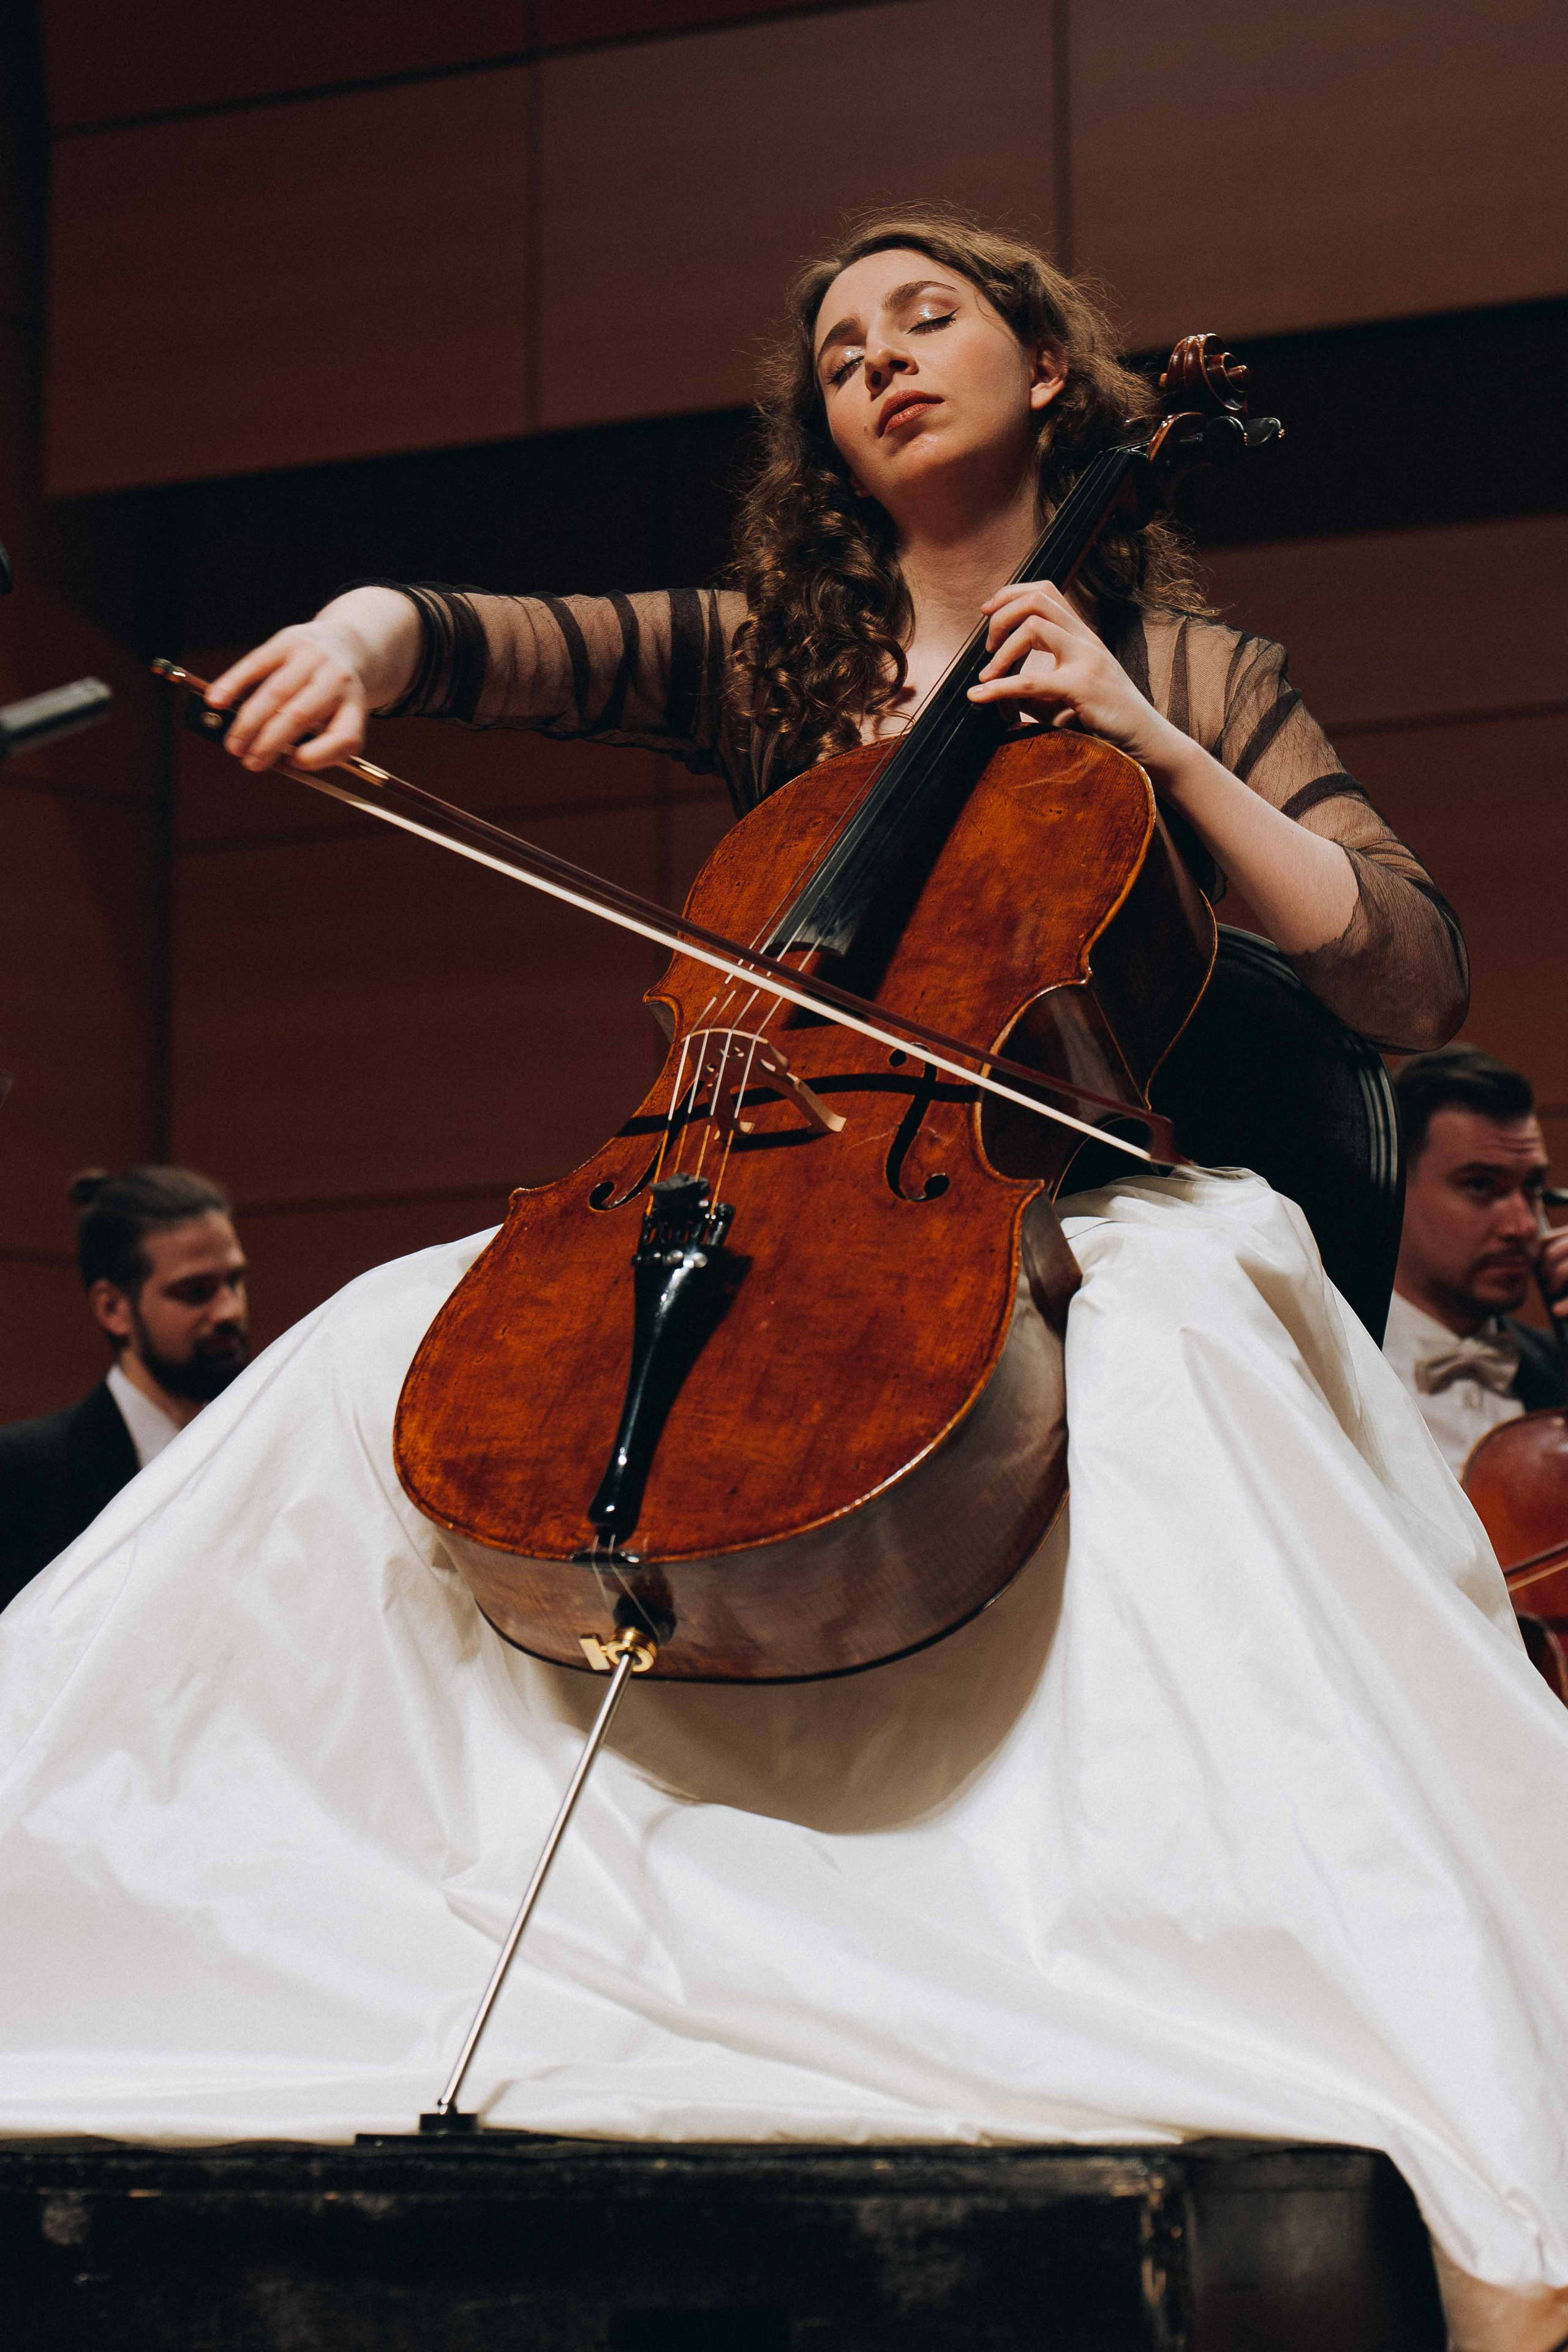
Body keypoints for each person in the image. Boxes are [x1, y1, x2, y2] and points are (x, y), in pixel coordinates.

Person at [3, 213, 1566, 2350]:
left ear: (1049, 373)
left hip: (1051, 1181)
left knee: (1194, 1343)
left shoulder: (1185, 665)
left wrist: (1151, 739)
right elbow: (490, 639)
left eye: (932, 320)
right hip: (759, 1171)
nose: (881, 362)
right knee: (368, 1350)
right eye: (840, 350)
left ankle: (1251, 1954)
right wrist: (362, 637)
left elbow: (1406, 965)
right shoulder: (777, 657)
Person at [0, 1165, 248, 1604]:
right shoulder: (22, 1475)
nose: (228, 1310)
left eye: (234, 1281)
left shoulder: (261, 1449)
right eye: (196, 1292)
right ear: (113, 1308)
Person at [1384, 1048, 1568, 1476]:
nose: (1524, 1225)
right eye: (1481, 1185)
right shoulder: (1323, 1369)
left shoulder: (1560, 1365)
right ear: (1391, 1185)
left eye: (1533, 1187)